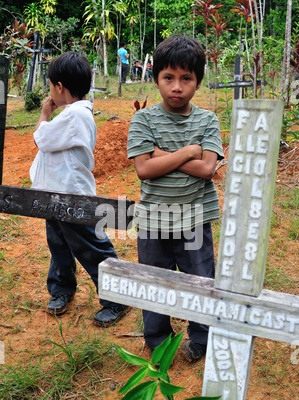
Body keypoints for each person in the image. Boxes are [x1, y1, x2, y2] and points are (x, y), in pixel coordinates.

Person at [127, 35, 224, 362]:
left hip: (195, 219)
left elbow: (208, 168)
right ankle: (158, 340)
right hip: (153, 220)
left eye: (187, 78)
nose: (177, 87)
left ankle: (201, 338)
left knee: (200, 282)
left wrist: (160, 154)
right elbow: (143, 169)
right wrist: (187, 151)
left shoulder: (207, 120)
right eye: (169, 78)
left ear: (198, 82)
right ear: (156, 78)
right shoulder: (143, 119)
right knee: (154, 283)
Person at [30, 51, 129, 326]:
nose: (50, 91)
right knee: (58, 243)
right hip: (55, 194)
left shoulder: (74, 117)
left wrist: (44, 112)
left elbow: (40, 138)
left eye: (51, 85)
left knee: (91, 246)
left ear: (59, 87)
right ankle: (61, 289)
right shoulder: (73, 114)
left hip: (72, 196)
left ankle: (117, 297)